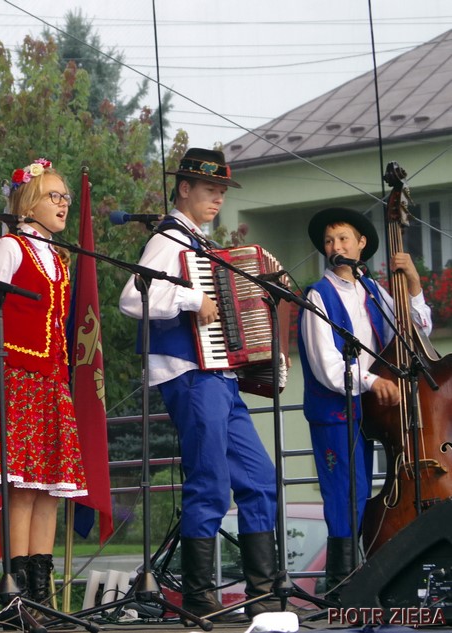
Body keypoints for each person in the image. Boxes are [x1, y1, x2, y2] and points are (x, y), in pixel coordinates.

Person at [118, 148, 279, 621]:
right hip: (189, 374)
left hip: (219, 376)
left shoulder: (199, 242)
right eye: (210, 189)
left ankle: (263, 594)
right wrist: (191, 298)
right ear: (184, 188)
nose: (218, 198)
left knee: (259, 478)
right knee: (209, 481)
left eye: (222, 192)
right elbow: (132, 297)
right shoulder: (169, 238)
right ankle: (199, 597)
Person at [298, 206, 432, 600]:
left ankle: (358, 582)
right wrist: (373, 381)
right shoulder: (317, 295)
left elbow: (416, 330)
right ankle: (340, 587)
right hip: (334, 412)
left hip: (370, 411)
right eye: (329, 241)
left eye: (343, 238)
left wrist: (414, 285)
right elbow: (327, 366)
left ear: (361, 244)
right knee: (345, 495)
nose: (335, 246)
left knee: (359, 492)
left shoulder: (372, 290)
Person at [0, 158, 87, 613]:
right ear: (27, 204)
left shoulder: (57, 258)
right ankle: (16, 596)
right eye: (53, 196)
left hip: (50, 381)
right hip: (16, 377)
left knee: (49, 490)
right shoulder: (9, 248)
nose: (63, 204)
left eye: (66, 197)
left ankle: (41, 594)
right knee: (23, 490)